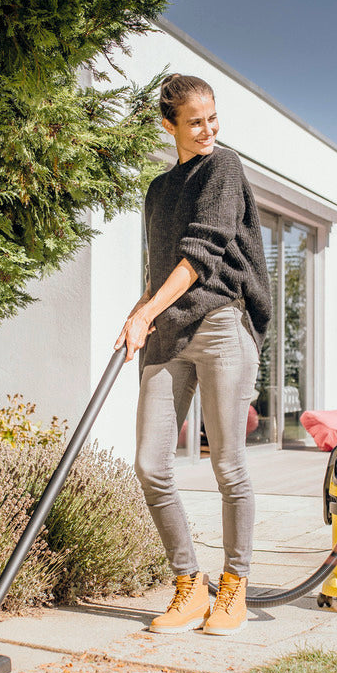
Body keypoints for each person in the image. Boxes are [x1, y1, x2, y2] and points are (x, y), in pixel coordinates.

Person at [115, 74, 271, 636]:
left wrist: (145, 311)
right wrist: (140, 312)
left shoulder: (223, 168)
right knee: (151, 464)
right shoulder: (158, 190)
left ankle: (235, 588)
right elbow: (164, 267)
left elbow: (201, 257)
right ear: (169, 125)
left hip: (222, 324)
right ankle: (190, 586)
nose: (208, 129)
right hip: (168, 332)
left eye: (212, 117)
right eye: (195, 121)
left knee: (228, 465)